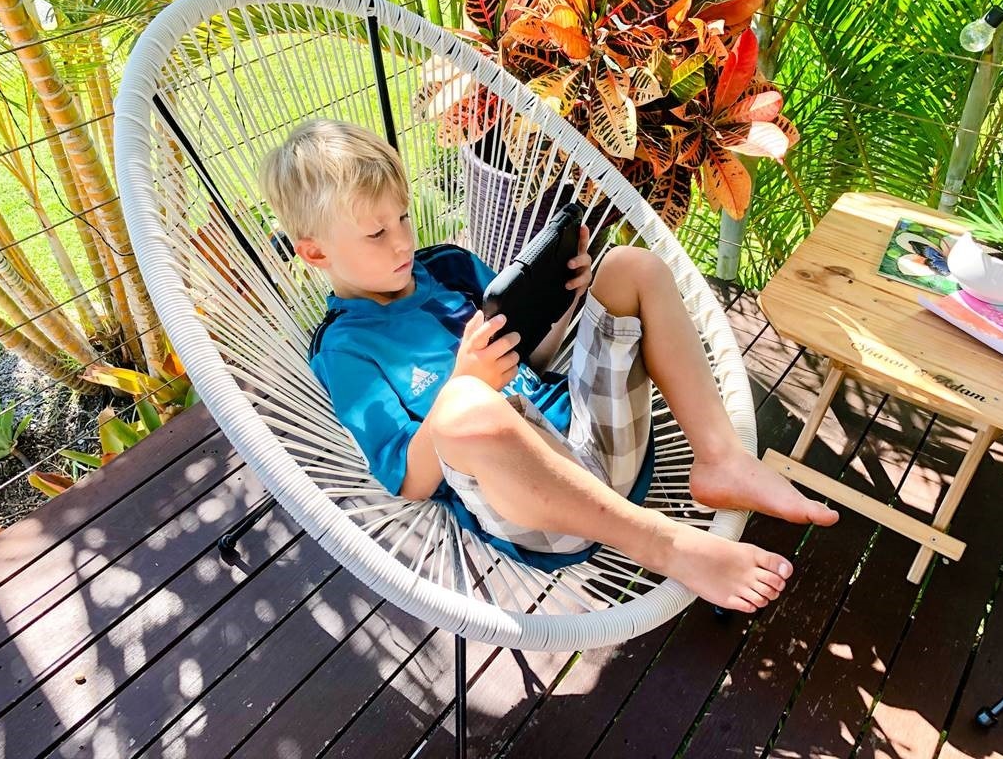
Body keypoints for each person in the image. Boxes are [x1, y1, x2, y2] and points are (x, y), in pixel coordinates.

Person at [259, 119, 839, 613]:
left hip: (599, 439)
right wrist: (464, 385)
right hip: (542, 512)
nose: (402, 242)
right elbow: (410, 483)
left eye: (405, 218)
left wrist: (568, 302)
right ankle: (668, 548)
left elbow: (531, 355)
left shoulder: (452, 269)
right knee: (463, 409)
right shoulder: (347, 351)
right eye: (377, 232)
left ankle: (720, 461)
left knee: (630, 268)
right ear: (315, 252)